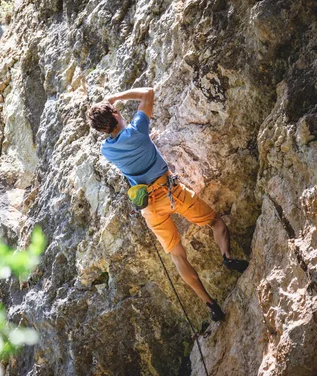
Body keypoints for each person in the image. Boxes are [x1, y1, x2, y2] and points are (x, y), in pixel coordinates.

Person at [86, 87, 248, 321]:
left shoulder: (106, 150)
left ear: (101, 129)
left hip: (149, 207)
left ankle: (211, 305)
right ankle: (227, 257)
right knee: (215, 222)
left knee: (178, 256)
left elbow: (124, 141)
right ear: (115, 113)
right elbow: (147, 93)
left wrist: (111, 113)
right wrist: (116, 97)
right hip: (172, 192)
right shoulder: (136, 131)